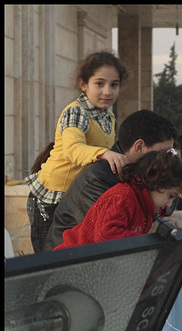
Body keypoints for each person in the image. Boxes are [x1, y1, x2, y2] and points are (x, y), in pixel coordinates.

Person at [25, 50, 129, 252]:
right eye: (100, 84)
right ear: (84, 84)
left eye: (114, 85)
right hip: (50, 200)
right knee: (47, 259)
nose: (107, 91)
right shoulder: (76, 111)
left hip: (74, 198)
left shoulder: (107, 116)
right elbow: (74, 149)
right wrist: (104, 153)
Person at [43, 110, 178, 251]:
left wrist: (162, 221)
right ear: (139, 146)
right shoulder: (100, 179)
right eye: (165, 153)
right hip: (65, 259)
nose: (169, 159)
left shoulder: (133, 174)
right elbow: (109, 234)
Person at [53, 148, 182, 250]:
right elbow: (106, 235)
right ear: (153, 182)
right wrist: (149, 239)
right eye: (170, 196)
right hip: (70, 261)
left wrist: (163, 223)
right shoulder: (122, 197)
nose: (169, 204)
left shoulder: (145, 208)